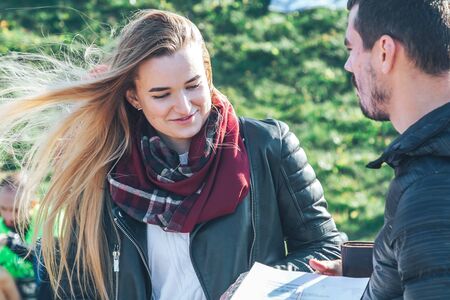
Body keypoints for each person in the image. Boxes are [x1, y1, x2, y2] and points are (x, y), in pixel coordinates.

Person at [0, 9, 343, 300]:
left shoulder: (268, 144)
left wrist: (259, 286)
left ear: (207, 76)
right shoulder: (100, 167)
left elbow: (327, 249)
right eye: (161, 94)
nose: (184, 107)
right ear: (134, 97)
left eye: (193, 85)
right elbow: (68, 286)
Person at [310, 0, 450, 298]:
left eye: (352, 49)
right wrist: (374, 265)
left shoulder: (430, 192)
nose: (349, 65)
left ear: (385, 52)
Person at [0, 174, 36, 299]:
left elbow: (46, 259)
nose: (8, 217)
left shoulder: (47, 225)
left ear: (32, 204)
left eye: (16, 210)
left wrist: (9, 242)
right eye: (3, 208)